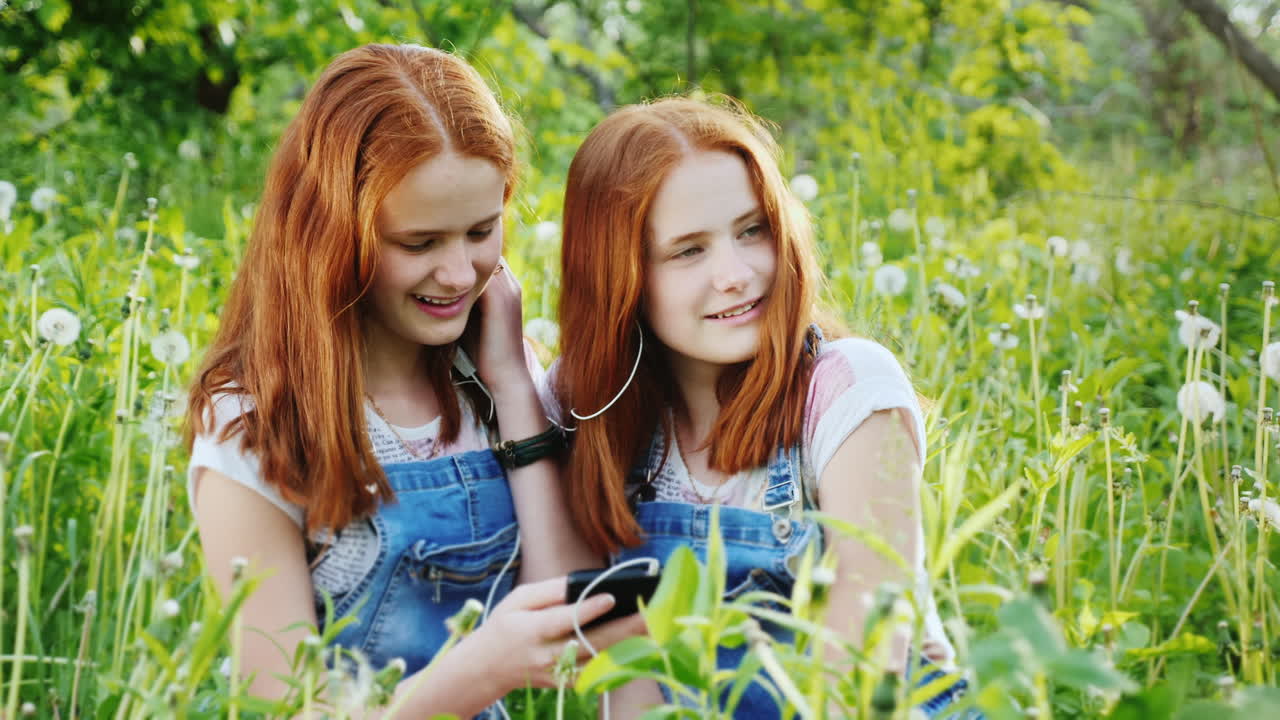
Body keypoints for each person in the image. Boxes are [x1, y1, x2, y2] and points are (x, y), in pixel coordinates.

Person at [185, 44, 638, 719]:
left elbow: (575, 622)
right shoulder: (255, 425)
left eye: (481, 232)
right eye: (419, 243)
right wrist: (482, 669)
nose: (458, 275)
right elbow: (281, 706)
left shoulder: (493, 382)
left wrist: (515, 386)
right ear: (330, 236)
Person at [553, 97, 975, 718]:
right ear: (616, 275)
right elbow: (605, 663)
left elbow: (859, 674)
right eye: (688, 250)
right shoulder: (592, 409)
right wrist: (506, 378)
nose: (736, 273)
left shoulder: (845, 389)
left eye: (752, 230)